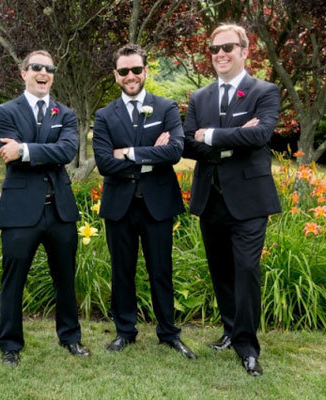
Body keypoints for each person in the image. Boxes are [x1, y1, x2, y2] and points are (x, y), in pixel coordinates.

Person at [183, 24, 281, 376]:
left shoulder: (264, 91)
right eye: (214, 49)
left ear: (245, 50)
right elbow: (185, 142)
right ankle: (229, 329)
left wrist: (210, 135)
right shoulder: (199, 97)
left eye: (228, 47)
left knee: (247, 270)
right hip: (211, 197)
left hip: (250, 200)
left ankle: (247, 345)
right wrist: (233, 139)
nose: (220, 54)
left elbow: (260, 134)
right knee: (221, 270)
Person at [92, 44, 196, 359]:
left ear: (146, 71)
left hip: (158, 203)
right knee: (122, 271)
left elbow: (174, 152)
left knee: (161, 269)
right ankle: (125, 332)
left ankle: (169, 333)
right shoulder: (104, 115)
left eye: (136, 69)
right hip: (119, 204)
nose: (131, 76)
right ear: (116, 76)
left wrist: (129, 153)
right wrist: (153, 153)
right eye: (124, 71)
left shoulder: (164, 108)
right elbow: (104, 163)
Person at [0, 50, 90, 366]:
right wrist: (28, 151)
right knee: (13, 280)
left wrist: (23, 149)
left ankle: (70, 338)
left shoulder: (66, 113)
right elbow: (7, 152)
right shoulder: (4, 111)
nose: (43, 73)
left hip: (59, 210)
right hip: (20, 210)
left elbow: (66, 151)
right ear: (23, 73)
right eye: (36, 67)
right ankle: (10, 345)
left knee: (65, 277)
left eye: (49, 69)